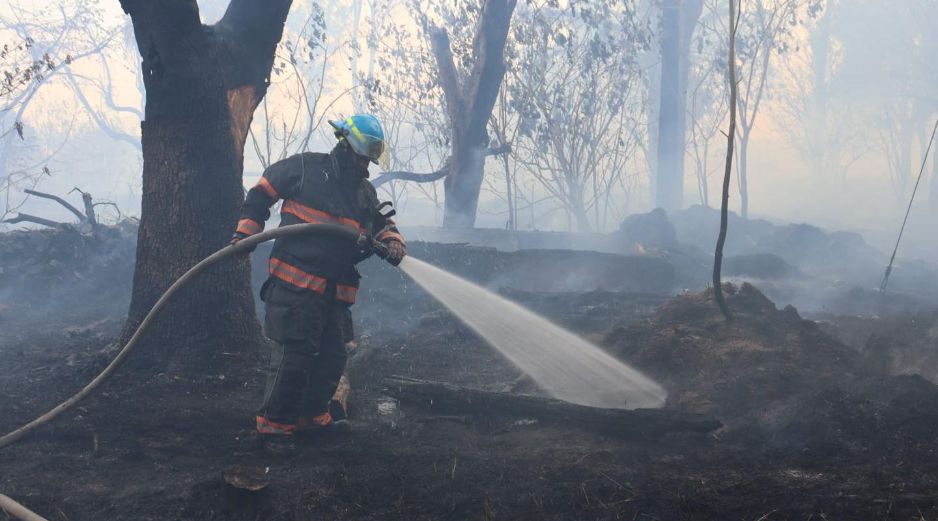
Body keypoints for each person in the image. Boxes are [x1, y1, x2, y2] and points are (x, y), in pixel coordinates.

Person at [231, 114, 406, 436]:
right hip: (295, 289)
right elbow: (261, 194)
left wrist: (392, 241)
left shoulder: (364, 192)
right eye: (361, 157)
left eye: (369, 160)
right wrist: (246, 235)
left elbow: (382, 224)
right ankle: (275, 425)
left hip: (336, 294)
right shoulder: (304, 169)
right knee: (293, 357)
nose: (365, 166)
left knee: (332, 359)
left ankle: (314, 417)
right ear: (345, 145)